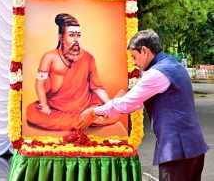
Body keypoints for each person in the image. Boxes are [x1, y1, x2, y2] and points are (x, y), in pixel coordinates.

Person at [77, 29, 210, 181]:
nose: (134, 62)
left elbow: (128, 103)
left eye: (134, 57)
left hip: (177, 150)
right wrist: (104, 114)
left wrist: (94, 111)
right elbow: (137, 102)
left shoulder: (156, 73)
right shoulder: (174, 65)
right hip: (193, 147)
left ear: (145, 51)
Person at [26, 13, 126, 135]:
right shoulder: (49, 57)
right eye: (71, 35)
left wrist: (110, 103)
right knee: (32, 112)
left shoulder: (88, 58)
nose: (76, 39)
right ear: (61, 37)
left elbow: (97, 86)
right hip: (57, 107)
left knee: (99, 103)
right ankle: (91, 117)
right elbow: (39, 84)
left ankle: (93, 113)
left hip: (84, 104)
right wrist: (44, 104)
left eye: (78, 35)